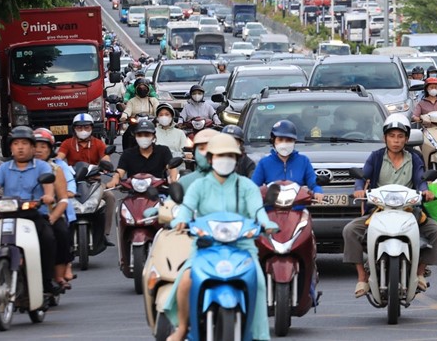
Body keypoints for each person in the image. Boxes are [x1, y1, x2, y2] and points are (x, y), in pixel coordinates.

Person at [164, 134, 278, 341]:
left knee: (259, 282)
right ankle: (182, 328)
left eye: (230, 155)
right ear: (210, 159)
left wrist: (266, 222)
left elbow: (257, 209)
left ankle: (259, 335)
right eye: (220, 155)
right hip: (206, 247)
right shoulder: (199, 186)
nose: (225, 159)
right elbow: (187, 208)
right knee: (185, 281)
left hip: (242, 247)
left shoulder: (246, 186)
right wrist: (180, 220)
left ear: (237, 159)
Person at [343, 114, 437, 297]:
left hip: (409, 210)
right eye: (392, 136)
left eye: (400, 136)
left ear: (406, 139)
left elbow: (420, 180)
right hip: (379, 210)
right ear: (385, 138)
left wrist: (425, 192)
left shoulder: (414, 158)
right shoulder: (375, 157)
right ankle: (362, 277)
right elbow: (363, 176)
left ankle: (419, 273)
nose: (396, 141)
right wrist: (359, 189)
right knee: (350, 231)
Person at [0, 126, 61, 296]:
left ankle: (46, 281)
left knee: (48, 239)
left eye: (25, 143)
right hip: (8, 215)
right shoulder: (4, 168)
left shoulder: (42, 167)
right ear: (10, 147)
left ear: (32, 148)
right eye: (16, 143)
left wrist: (48, 197)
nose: (20, 147)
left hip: (34, 215)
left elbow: (49, 189)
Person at [56, 113, 116, 246]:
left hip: (94, 182)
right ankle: (61, 232)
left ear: (92, 129)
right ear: (74, 129)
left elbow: (105, 159)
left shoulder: (98, 143)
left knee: (110, 197)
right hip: (72, 182)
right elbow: (59, 158)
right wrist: (56, 165)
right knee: (58, 199)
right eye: (80, 127)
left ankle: (105, 234)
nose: (83, 130)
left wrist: (105, 165)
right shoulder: (67, 143)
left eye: (87, 127)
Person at [33, 128, 75, 289]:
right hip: (20, 214)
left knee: (59, 235)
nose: (38, 150)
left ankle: (57, 274)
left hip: (47, 214)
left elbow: (62, 198)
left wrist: (52, 217)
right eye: (35, 146)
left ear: (50, 149)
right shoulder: (16, 166)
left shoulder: (55, 169)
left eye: (43, 147)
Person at [251, 120, 324, 202]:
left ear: (294, 142)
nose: (284, 143)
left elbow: (313, 182)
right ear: (273, 141)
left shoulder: (303, 161)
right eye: (280, 139)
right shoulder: (264, 163)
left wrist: (317, 191)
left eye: (288, 140)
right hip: (271, 208)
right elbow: (253, 187)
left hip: (297, 208)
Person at [106, 119, 178, 188]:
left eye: (147, 135)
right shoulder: (127, 154)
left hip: (159, 192)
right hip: (134, 193)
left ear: (153, 136)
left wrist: (173, 179)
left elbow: (171, 168)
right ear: (135, 137)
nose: (143, 137)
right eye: (140, 135)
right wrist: (114, 180)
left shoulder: (163, 151)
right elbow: (120, 171)